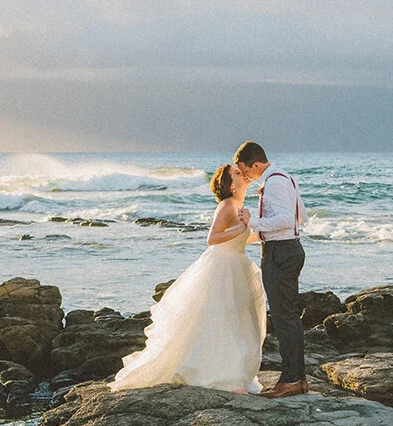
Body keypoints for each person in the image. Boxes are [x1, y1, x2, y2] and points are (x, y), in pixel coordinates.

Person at [110, 164, 266, 394]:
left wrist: (261, 233)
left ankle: (234, 374)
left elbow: (240, 239)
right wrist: (243, 225)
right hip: (222, 267)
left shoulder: (240, 205)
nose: (242, 173)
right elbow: (212, 238)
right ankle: (221, 377)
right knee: (219, 321)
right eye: (236, 172)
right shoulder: (227, 205)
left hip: (237, 265)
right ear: (230, 185)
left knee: (237, 322)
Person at [234, 141, 309, 398]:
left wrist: (252, 221)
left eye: (246, 171)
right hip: (287, 248)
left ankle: (290, 380)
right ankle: (298, 379)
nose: (246, 177)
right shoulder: (283, 177)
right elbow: (300, 218)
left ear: (256, 164)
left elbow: (288, 220)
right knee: (289, 317)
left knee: (284, 318)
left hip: (281, 253)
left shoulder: (275, 182)